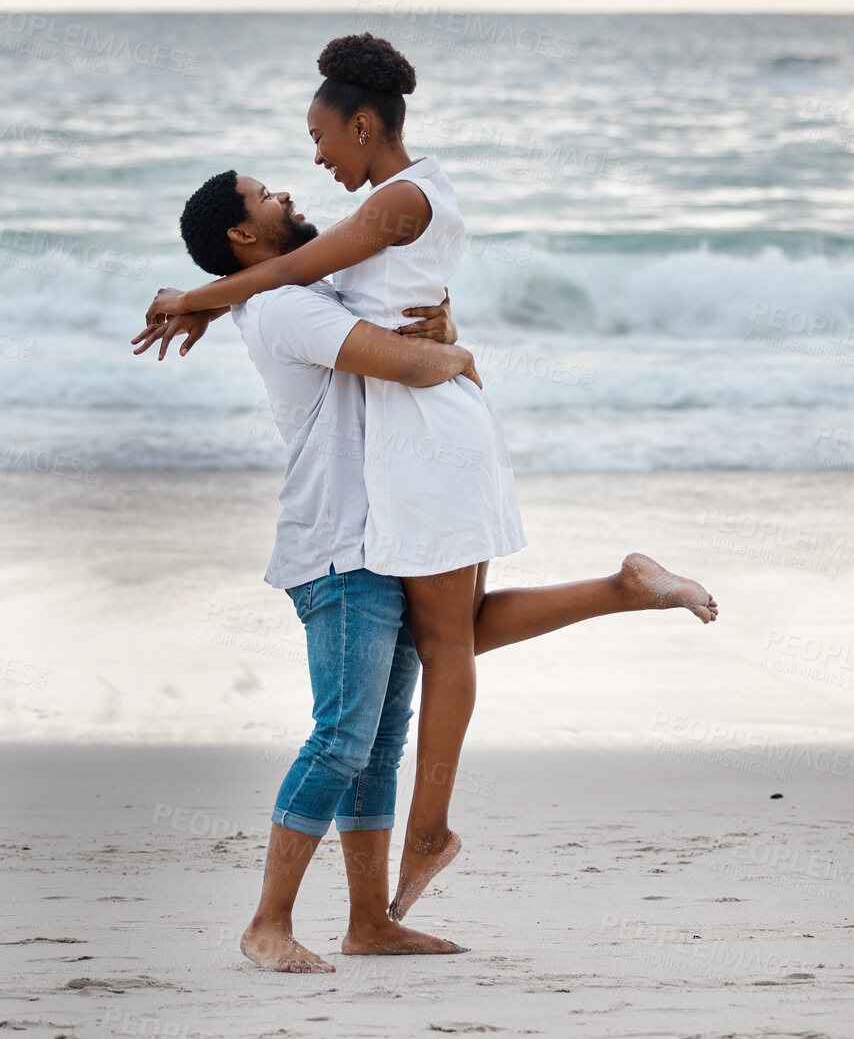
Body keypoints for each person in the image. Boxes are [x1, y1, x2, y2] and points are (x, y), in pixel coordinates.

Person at [135, 171, 718, 971]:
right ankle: (267, 921)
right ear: (244, 232)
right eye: (268, 196)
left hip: (385, 536)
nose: (290, 198)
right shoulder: (286, 306)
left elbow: (357, 294)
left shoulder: (298, 288)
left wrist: (196, 296)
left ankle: (369, 922)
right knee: (342, 735)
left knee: (380, 741)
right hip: (337, 546)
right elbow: (407, 365)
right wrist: (457, 350)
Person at [143, 33, 527, 917]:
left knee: (413, 691)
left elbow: (312, 274)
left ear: (362, 124)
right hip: (378, 489)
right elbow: (309, 292)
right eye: (273, 188)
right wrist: (215, 299)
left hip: (403, 480)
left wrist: (206, 296)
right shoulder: (312, 278)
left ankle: (396, 880)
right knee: (395, 691)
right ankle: (289, 916)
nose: (305, 168)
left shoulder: (370, 227)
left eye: (317, 139)